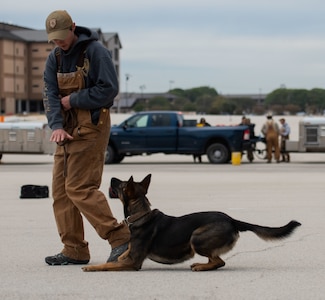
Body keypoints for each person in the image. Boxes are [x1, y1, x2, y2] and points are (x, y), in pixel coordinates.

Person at [43, 10, 130, 266]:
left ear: (73, 27)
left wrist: (74, 99)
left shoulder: (95, 52)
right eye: (54, 38)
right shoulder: (54, 57)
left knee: (79, 188)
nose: (58, 42)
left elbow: (109, 89)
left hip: (91, 129)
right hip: (65, 132)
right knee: (60, 192)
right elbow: (49, 94)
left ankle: (121, 238)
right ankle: (74, 249)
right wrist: (56, 125)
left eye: (61, 37)